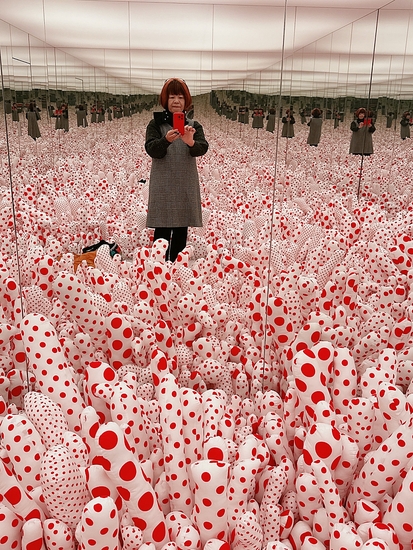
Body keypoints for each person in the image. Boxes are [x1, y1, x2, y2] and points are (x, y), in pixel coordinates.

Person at [145, 78, 209, 262]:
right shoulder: (155, 124)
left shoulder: (194, 126)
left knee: (182, 226)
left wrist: (190, 142)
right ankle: (158, 266)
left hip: (184, 181)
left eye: (180, 97)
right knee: (162, 226)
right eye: (172, 97)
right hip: (163, 182)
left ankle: (176, 267)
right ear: (165, 100)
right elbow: (152, 150)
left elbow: (202, 148)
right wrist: (166, 140)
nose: (176, 101)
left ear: (186, 101)